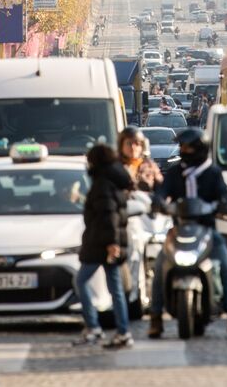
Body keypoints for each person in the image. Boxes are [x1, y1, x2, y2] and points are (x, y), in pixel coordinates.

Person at [148, 127, 227, 339]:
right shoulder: (174, 172)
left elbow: (223, 194)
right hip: (178, 231)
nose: (183, 150)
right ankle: (155, 318)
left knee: (226, 268)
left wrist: (224, 204)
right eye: (181, 146)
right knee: (160, 266)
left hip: (208, 231)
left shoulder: (213, 173)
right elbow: (162, 192)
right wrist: (159, 202)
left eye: (187, 146)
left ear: (200, 149)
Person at [74, 143, 135, 348]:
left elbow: (108, 215)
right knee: (115, 289)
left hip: (100, 243)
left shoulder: (101, 182)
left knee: (81, 281)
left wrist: (111, 243)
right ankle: (123, 331)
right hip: (107, 241)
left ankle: (93, 327)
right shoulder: (114, 180)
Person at [118, 126, 163, 192]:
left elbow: (163, 189)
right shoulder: (114, 166)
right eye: (129, 143)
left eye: (137, 143)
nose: (133, 147)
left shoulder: (150, 166)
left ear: (142, 146)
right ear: (121, 145)